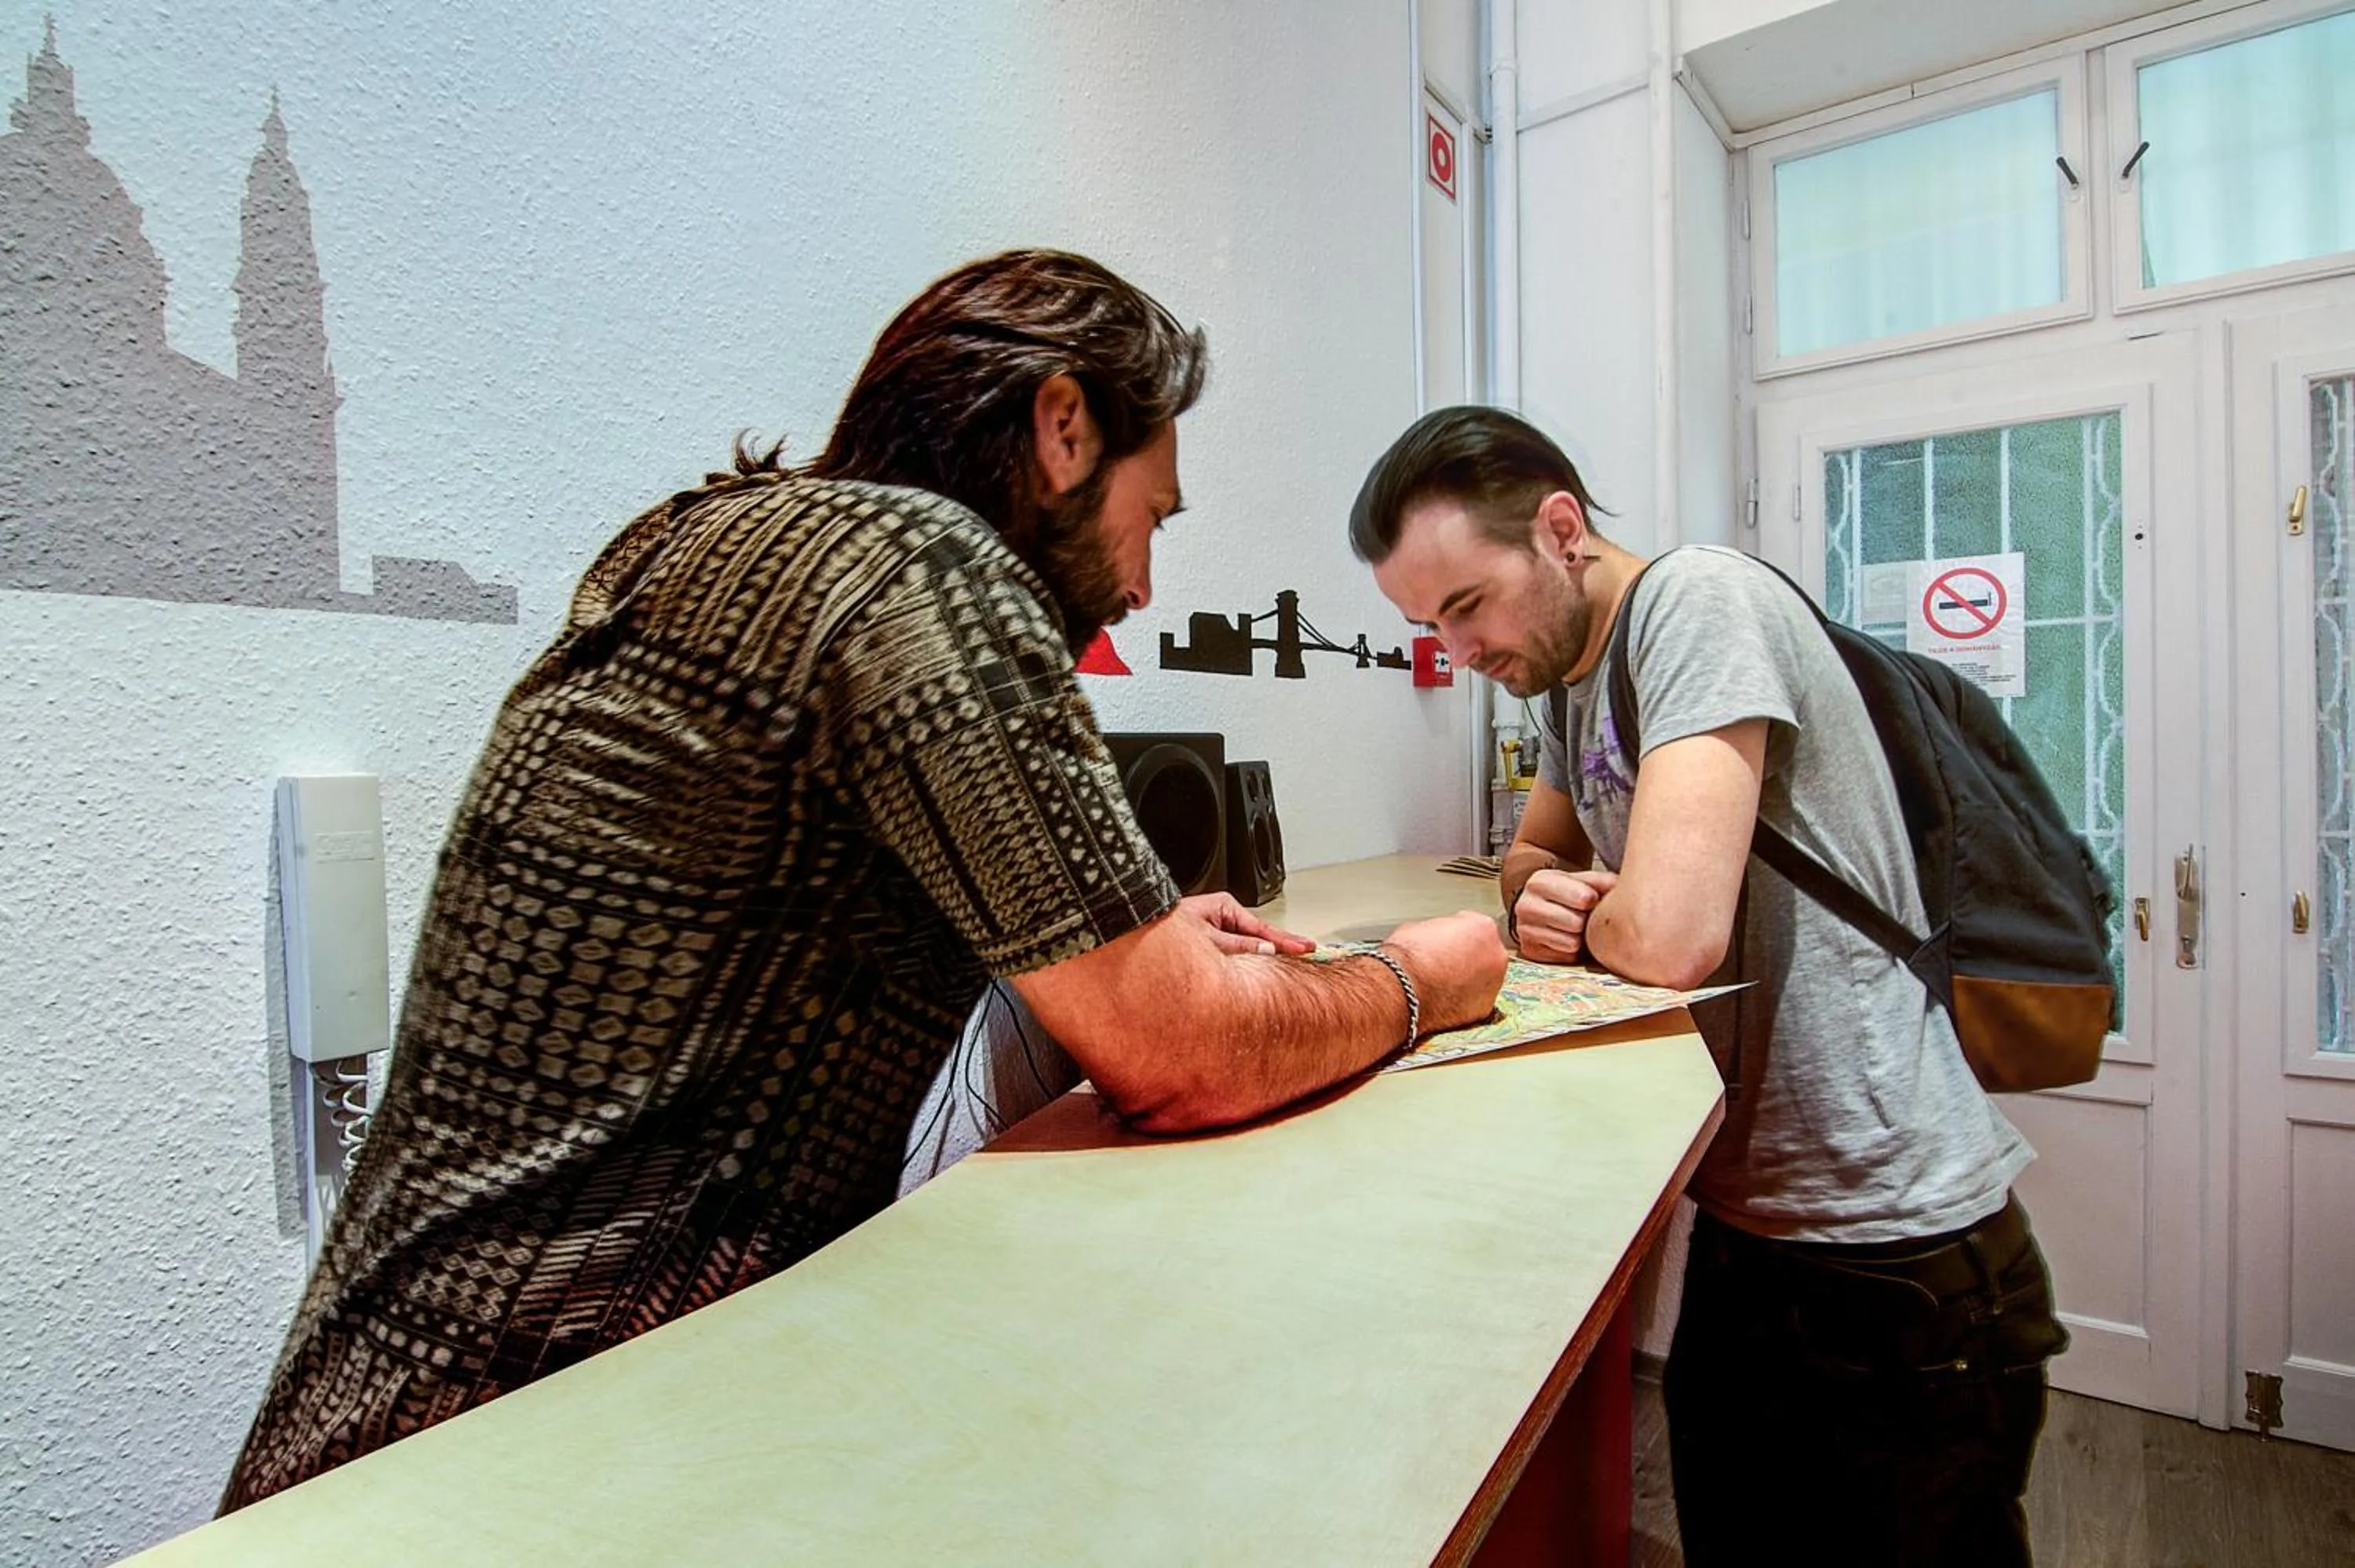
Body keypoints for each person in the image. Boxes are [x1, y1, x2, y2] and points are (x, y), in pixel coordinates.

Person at [220, 251, 1506, 1510]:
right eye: (1150, 515)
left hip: (383, 1429)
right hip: (527, 1452)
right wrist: (1416, 980)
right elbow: (1187, 1055)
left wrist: (1141, 929)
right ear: (1064, 427)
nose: (1140, 581)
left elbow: (781, 897)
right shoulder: (930, 569)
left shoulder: (714, 540)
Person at [1348, 405, 2068, 1568]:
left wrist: (1582, 917)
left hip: (1892, 1244)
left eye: (1466, 605)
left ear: (1561, 528)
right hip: (1750, 1220)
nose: (1457, 649)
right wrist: (1549, 892)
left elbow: (1673, 935)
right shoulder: (1569, 679)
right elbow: (1529, 858)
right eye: (1431, 622)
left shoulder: (1697, 602)